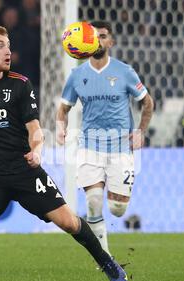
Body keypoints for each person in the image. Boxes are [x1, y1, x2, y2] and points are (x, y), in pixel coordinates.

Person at [0, 26, 127, 281]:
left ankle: (107, 262)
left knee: (69, 222)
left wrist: (37, 151)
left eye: (9, 45)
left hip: (25, 170)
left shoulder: (20, 85)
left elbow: (35, 129)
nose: (8, 51)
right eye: (0, 45)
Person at [56, 21, 154, 257]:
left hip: (121, 147)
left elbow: (147, 102)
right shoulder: (77, 75)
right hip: (90, 146)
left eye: (103, 36)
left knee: (118, 209)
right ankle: (104, 258)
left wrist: (140, 130)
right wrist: (61, 128)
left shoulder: (124, 71)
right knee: (94, 200)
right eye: (94, 36)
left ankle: (112, 213)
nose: (99, 40)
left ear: (111, 42)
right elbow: (63, 108)